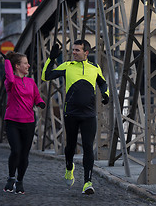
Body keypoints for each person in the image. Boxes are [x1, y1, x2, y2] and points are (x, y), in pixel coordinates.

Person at [41, 39, 109, 195]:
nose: (74, 53)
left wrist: (106, 95)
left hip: (89, 114)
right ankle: (69, 167)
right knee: (70, 146)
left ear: (86, 52)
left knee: (87, 146)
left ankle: (87, 182)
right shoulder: (67, 66)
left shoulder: (94, 68)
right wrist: (51, 59)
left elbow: (103, 83)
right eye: (73, 50)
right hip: (71, 113)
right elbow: (46, 76)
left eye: (77, 50)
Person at [1, 51, 46, 194]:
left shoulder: (30, 82)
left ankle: (20, 181)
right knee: (16, 151)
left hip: (29, 122)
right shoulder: (10, 82)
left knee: (24, 154)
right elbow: (11, 78)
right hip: (13, 121)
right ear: (17, 66)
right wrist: (7, 61)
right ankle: (11, 177)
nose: (28, 65)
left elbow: (37, 97)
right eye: (25, 63)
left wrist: (40, 103)